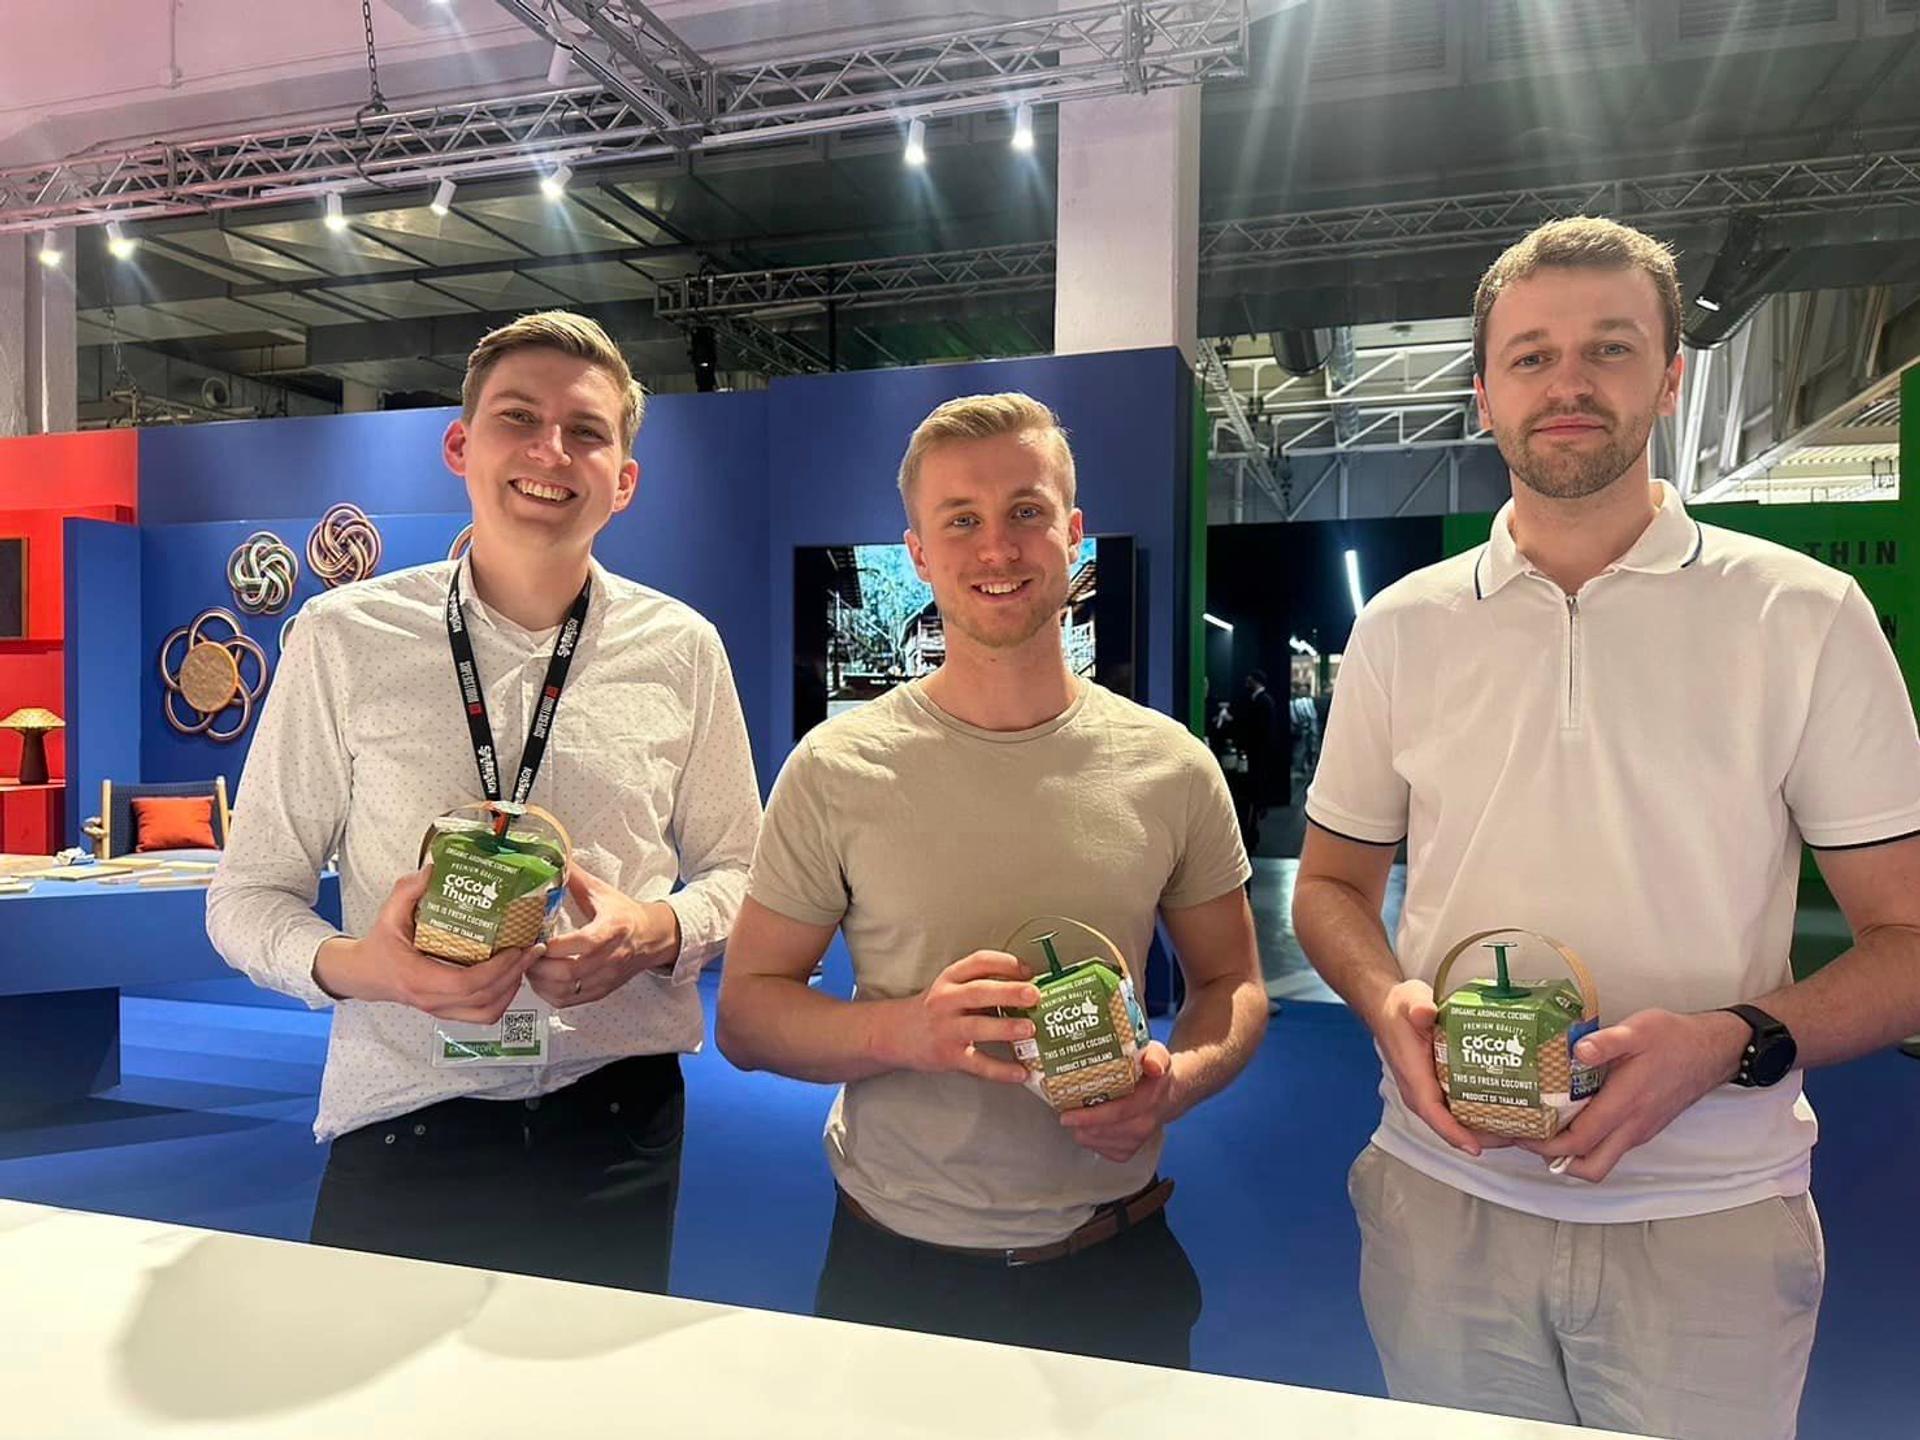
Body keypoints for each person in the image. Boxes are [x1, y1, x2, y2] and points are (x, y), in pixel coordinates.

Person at [1293, 216, 1920, 1440]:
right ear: (1482, 392)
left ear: (1671, 376)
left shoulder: (1803, 616)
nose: (1568, 383)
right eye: (1530, 356)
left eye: (1610, 349)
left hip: (1709, 1221)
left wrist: (1728, 1043)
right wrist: (1385, 1005)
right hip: (1443, 1198)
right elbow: (1328, 889)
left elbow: (1908, 940)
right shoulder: (1407, 626)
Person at [207, 311, 761, 1292]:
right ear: (462, 445)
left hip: (617, 1123)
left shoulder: (683, 650)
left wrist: (656, 928)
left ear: (623, 481)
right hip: (404, 1120)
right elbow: (246, 897)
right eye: (519, 418)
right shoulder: (342, 638)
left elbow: (742, 875)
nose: (551, 451)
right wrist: (362, 967)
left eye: (587, 431)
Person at [715, 392, 1268, 1369]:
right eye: (960, 520)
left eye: (1026, 511)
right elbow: (749, 1017)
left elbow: (1233, 985)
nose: (997, 548)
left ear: (1074, 532)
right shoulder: (838, 768)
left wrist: (1173, 1084)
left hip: (1115, 1269)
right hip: (894, 1277)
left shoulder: (1170, 766)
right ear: (919, 553)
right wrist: (903, 1032)